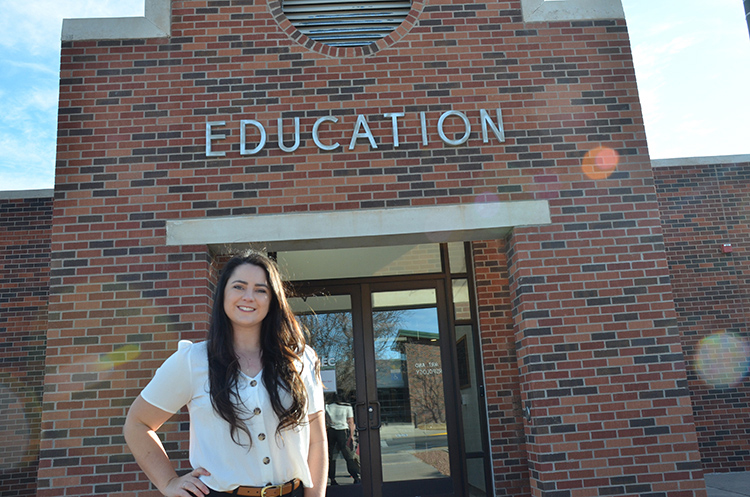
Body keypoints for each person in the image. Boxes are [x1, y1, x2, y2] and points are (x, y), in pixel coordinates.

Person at [124, 251, 328, 497]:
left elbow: (317, 440)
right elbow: (137, 423)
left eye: (261, 290)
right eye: (239, 287)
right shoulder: (192, 361)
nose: (249, 297)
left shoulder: (301, 359)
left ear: (273, 299)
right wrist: (168, 483)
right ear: (223, 294)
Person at [325, 391, 360, 485]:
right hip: (343, 431)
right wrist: (351, 436)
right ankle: (355, 477)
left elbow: (325, 421)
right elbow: (350, 422)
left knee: (332, 457)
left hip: (331, 431)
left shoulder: (327, 406)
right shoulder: (347, 407)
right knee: (348, 457)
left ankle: (332, 479)